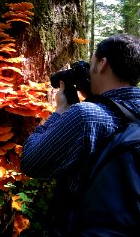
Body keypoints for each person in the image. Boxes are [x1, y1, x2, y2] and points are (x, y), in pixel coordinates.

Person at [21, 34, 140, 236]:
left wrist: (61, 111)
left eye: (92, 60)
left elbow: (31, 162)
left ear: (102, 64)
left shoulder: (86, 116)